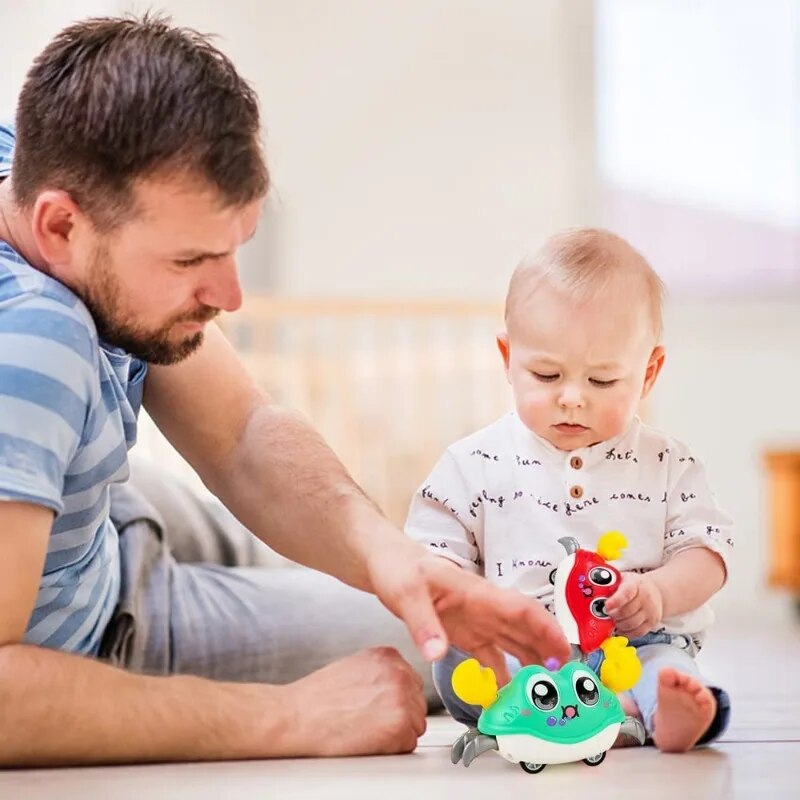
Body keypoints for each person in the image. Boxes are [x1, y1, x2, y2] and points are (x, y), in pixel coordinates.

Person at [0, 15, 569, 767]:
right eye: (192, 259)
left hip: (104, 507)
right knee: (445, 645)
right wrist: (289, 718)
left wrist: (389, 557)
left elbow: (239, 432)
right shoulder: (33, 339)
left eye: (235, 250)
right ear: (60, 225)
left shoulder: (27, 160)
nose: (231, 296)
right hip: (100, 627)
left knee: (430, 588)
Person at [405, 227, 733, 752]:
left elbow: (707, 552)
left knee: (664, 664)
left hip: (632, 644)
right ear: (507, 359)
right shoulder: (472, 464)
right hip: (520, 647)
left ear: (648, 374)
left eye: (602, 381)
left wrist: (659, 592)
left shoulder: (669, 463)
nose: (573, 399)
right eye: (546, 374)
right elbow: (430, 557)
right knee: (468, 662)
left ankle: (654, 708)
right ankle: (608, 714)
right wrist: (475, 603)